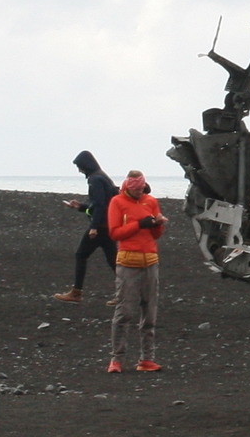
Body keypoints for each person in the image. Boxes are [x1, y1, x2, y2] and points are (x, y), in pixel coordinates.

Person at [106, 171, 166, 373]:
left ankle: (146, 359)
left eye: (142, 189)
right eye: (136, 189)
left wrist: (157, 224)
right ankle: (117, 359)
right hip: (127, 261)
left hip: (150, 261)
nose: (139, 192)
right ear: (128, 187)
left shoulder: (151, 201)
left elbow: (156, 235)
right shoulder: (117, 202)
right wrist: (139, 224)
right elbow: (115, 232)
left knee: (149, 313)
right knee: (124, 311)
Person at [54, 151, 118, 305]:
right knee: (113, 261)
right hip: (108, 225)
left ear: (86, 165)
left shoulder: (95, 179)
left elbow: (100, 205)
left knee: (81, 255)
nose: (79, 170)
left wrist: (94, 227)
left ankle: (76, 293)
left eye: (80, 167)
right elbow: (99, 204)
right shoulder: (101, 176)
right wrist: (81, 207)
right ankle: (129, 292)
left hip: (101, 226)